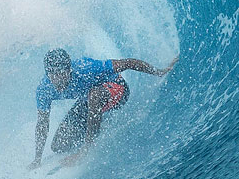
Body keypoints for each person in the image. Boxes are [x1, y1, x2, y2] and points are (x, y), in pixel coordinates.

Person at [29, 48, 176, 169]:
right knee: (59, 145)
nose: (57, 79)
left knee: (94, 95)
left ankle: (86, 148)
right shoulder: (44, 89)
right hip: (88, 99)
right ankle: (96, 126)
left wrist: (159, 72)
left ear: (69, 70)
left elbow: (129, 63)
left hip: (117, 90)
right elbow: (42, 123)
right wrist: (37, 159)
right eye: (52, 74)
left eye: (61, 73)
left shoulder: (86, 68)